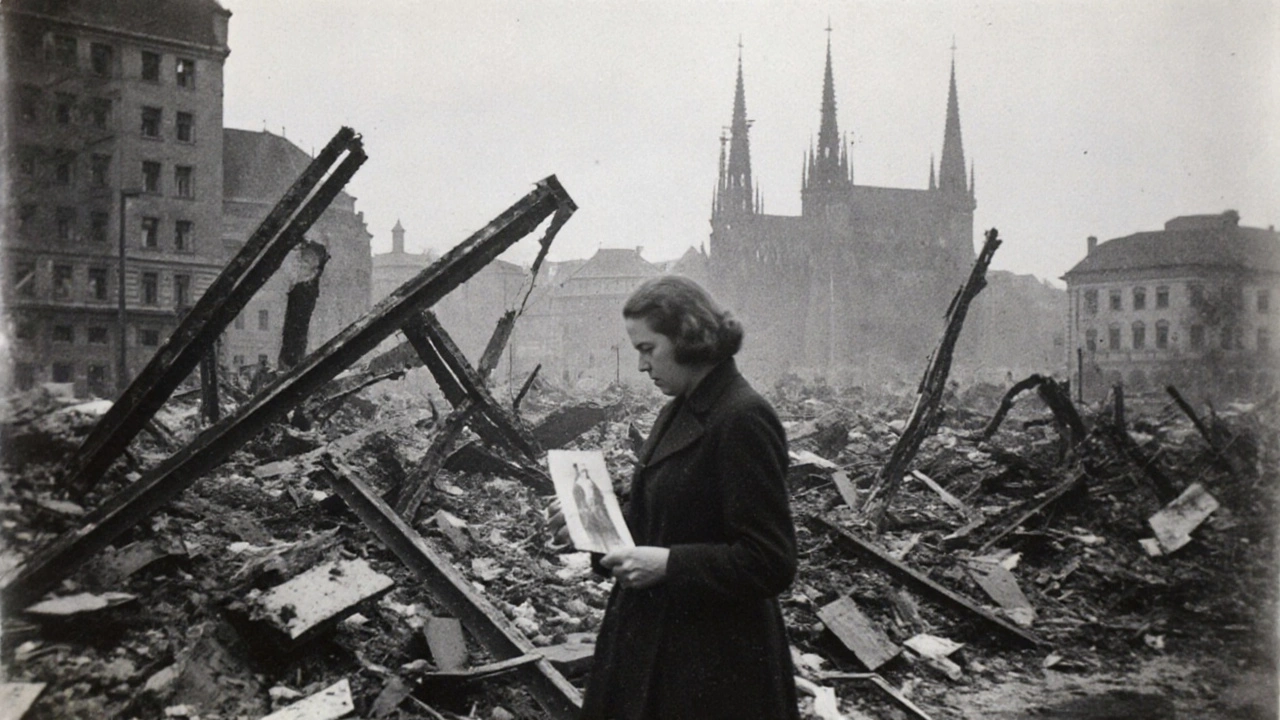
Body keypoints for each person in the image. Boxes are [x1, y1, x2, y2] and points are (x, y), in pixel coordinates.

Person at [566, 275, 799, 720]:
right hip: (655, 647)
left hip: (714, 670)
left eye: (647, 349)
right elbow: (659, 519)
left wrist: (670, 565)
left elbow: (771, 560)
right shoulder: (678, 410)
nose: (641, 366)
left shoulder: (743, 417)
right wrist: (589, 524)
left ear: (689, 337)